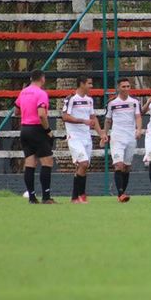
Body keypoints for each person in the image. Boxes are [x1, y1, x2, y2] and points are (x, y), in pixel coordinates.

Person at [62, 76, 107, 204]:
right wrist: (82, 120)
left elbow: (93, 118)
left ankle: (75, 197)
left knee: (83, 167)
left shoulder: (89, 100)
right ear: (81, 84)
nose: (91, 86)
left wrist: (101, 134)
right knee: (83, 163)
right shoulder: (71, 99)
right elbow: (65, 117)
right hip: (74, 137)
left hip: (86, 137)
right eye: (89, 83)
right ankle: (80, 195)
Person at [15, 69, 56, 204]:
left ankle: (32, 197)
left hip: (25, 129)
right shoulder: (41, 93)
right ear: (42, 79)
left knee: (30, 162)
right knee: (47, 161)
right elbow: (41, 114)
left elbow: (16, 111)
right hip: (37, 130)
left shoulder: (23, 91)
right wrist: (48, 130)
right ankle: (46, 197)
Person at [104, 78, 142, 203]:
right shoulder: (112, 103)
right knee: (118, 165)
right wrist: (105, 134)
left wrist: (139, 129)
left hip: (130, 136)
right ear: (118, 88)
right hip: (117, 137)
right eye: (123, 86)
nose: (126, 89)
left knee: (126, 166)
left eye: (128, 86)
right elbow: (108, 120)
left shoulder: (135, 102)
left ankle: (122, 193)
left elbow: (138, 116)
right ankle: (121, 194)